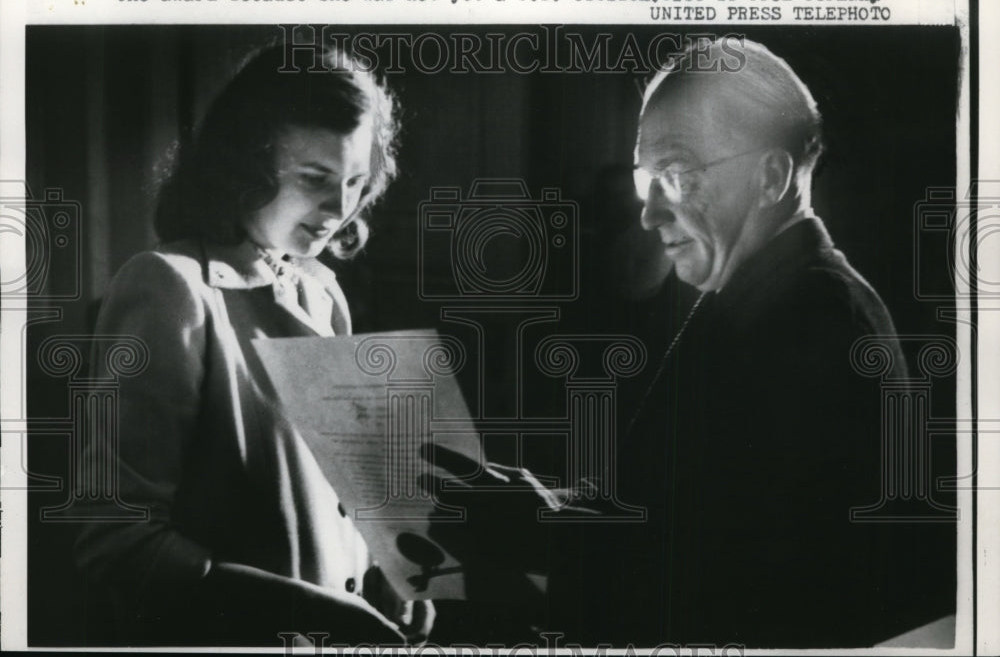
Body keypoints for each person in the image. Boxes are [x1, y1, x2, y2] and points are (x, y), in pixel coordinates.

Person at [429, 38, 954, 647]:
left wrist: (547, 529)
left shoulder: (814, 319)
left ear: (770, 176)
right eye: (644, 178)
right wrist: (549, 504)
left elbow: (745, 575)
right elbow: (687, 504)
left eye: (675, 175)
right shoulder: (767, 295)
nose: (649, 215)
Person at [74, 44, 433, 646]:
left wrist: (390, 566)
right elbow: (116, 541)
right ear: (245, 165)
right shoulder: (168, 286)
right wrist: (299, 612)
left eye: (355, 181)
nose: (340, 209)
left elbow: (337, 495)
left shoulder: (323, 293)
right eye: (315, 179)